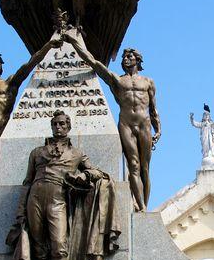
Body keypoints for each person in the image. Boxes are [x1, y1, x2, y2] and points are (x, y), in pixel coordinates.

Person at [3, 109, 117, 260]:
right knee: (39, 252)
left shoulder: (77, 154)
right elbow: (27, 183)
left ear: (69, 127)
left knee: (59, 248)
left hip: (58, 200)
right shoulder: (37, 152)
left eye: (62, 124)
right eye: (55, 124)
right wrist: (21, 210)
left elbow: (96, 172)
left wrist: (85, 176)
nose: (58, 127)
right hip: (35, 199)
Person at [64, 29, 161, 211]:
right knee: (133, 165)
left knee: (145, 168)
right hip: (126, 123)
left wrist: (159, 129)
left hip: (144, 123)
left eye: (129, 56)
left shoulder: (148, 82)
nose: (125, 59)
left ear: (137, 60)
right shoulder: (117, 79)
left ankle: (145, 206)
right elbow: (93, 63)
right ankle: (139, 205)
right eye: (124, 57)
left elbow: (154, 109)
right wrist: (74, 41)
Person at [0, 38, 60, 190]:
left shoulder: (9, 82)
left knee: (2, 165)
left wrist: (47, 46)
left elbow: (29, 65)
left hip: (3, 125)